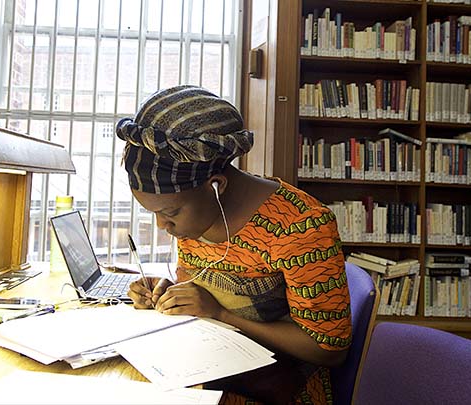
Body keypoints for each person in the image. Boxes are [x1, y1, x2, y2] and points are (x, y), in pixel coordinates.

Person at [119, 85, 351, 404]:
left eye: (169, 213)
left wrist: (221, 314)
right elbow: (199, 292)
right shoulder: (195, 216)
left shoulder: (301, 226)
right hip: (205, 371)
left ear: (216, 186)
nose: (162, 226)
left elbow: (328, 350)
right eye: (153, 213)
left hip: (282, 391)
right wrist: (168, 294)